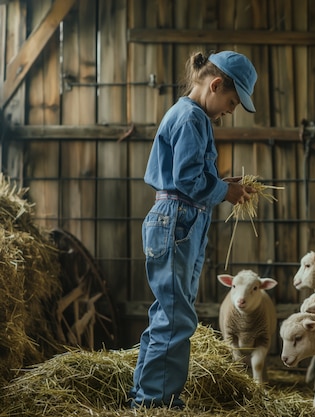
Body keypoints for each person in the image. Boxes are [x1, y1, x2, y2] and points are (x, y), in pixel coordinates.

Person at [129, 50, 258, 409]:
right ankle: (156, 403)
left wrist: (220, 184)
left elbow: (190, 175)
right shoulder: (191, 117)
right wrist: (224, 191)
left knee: (169, 311)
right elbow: (187, 179)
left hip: (178, 219)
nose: (230, 111)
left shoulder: (190, 116)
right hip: (177, 220)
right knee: (176, 316)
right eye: (231, 102)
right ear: (215, 84)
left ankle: (145, 396)